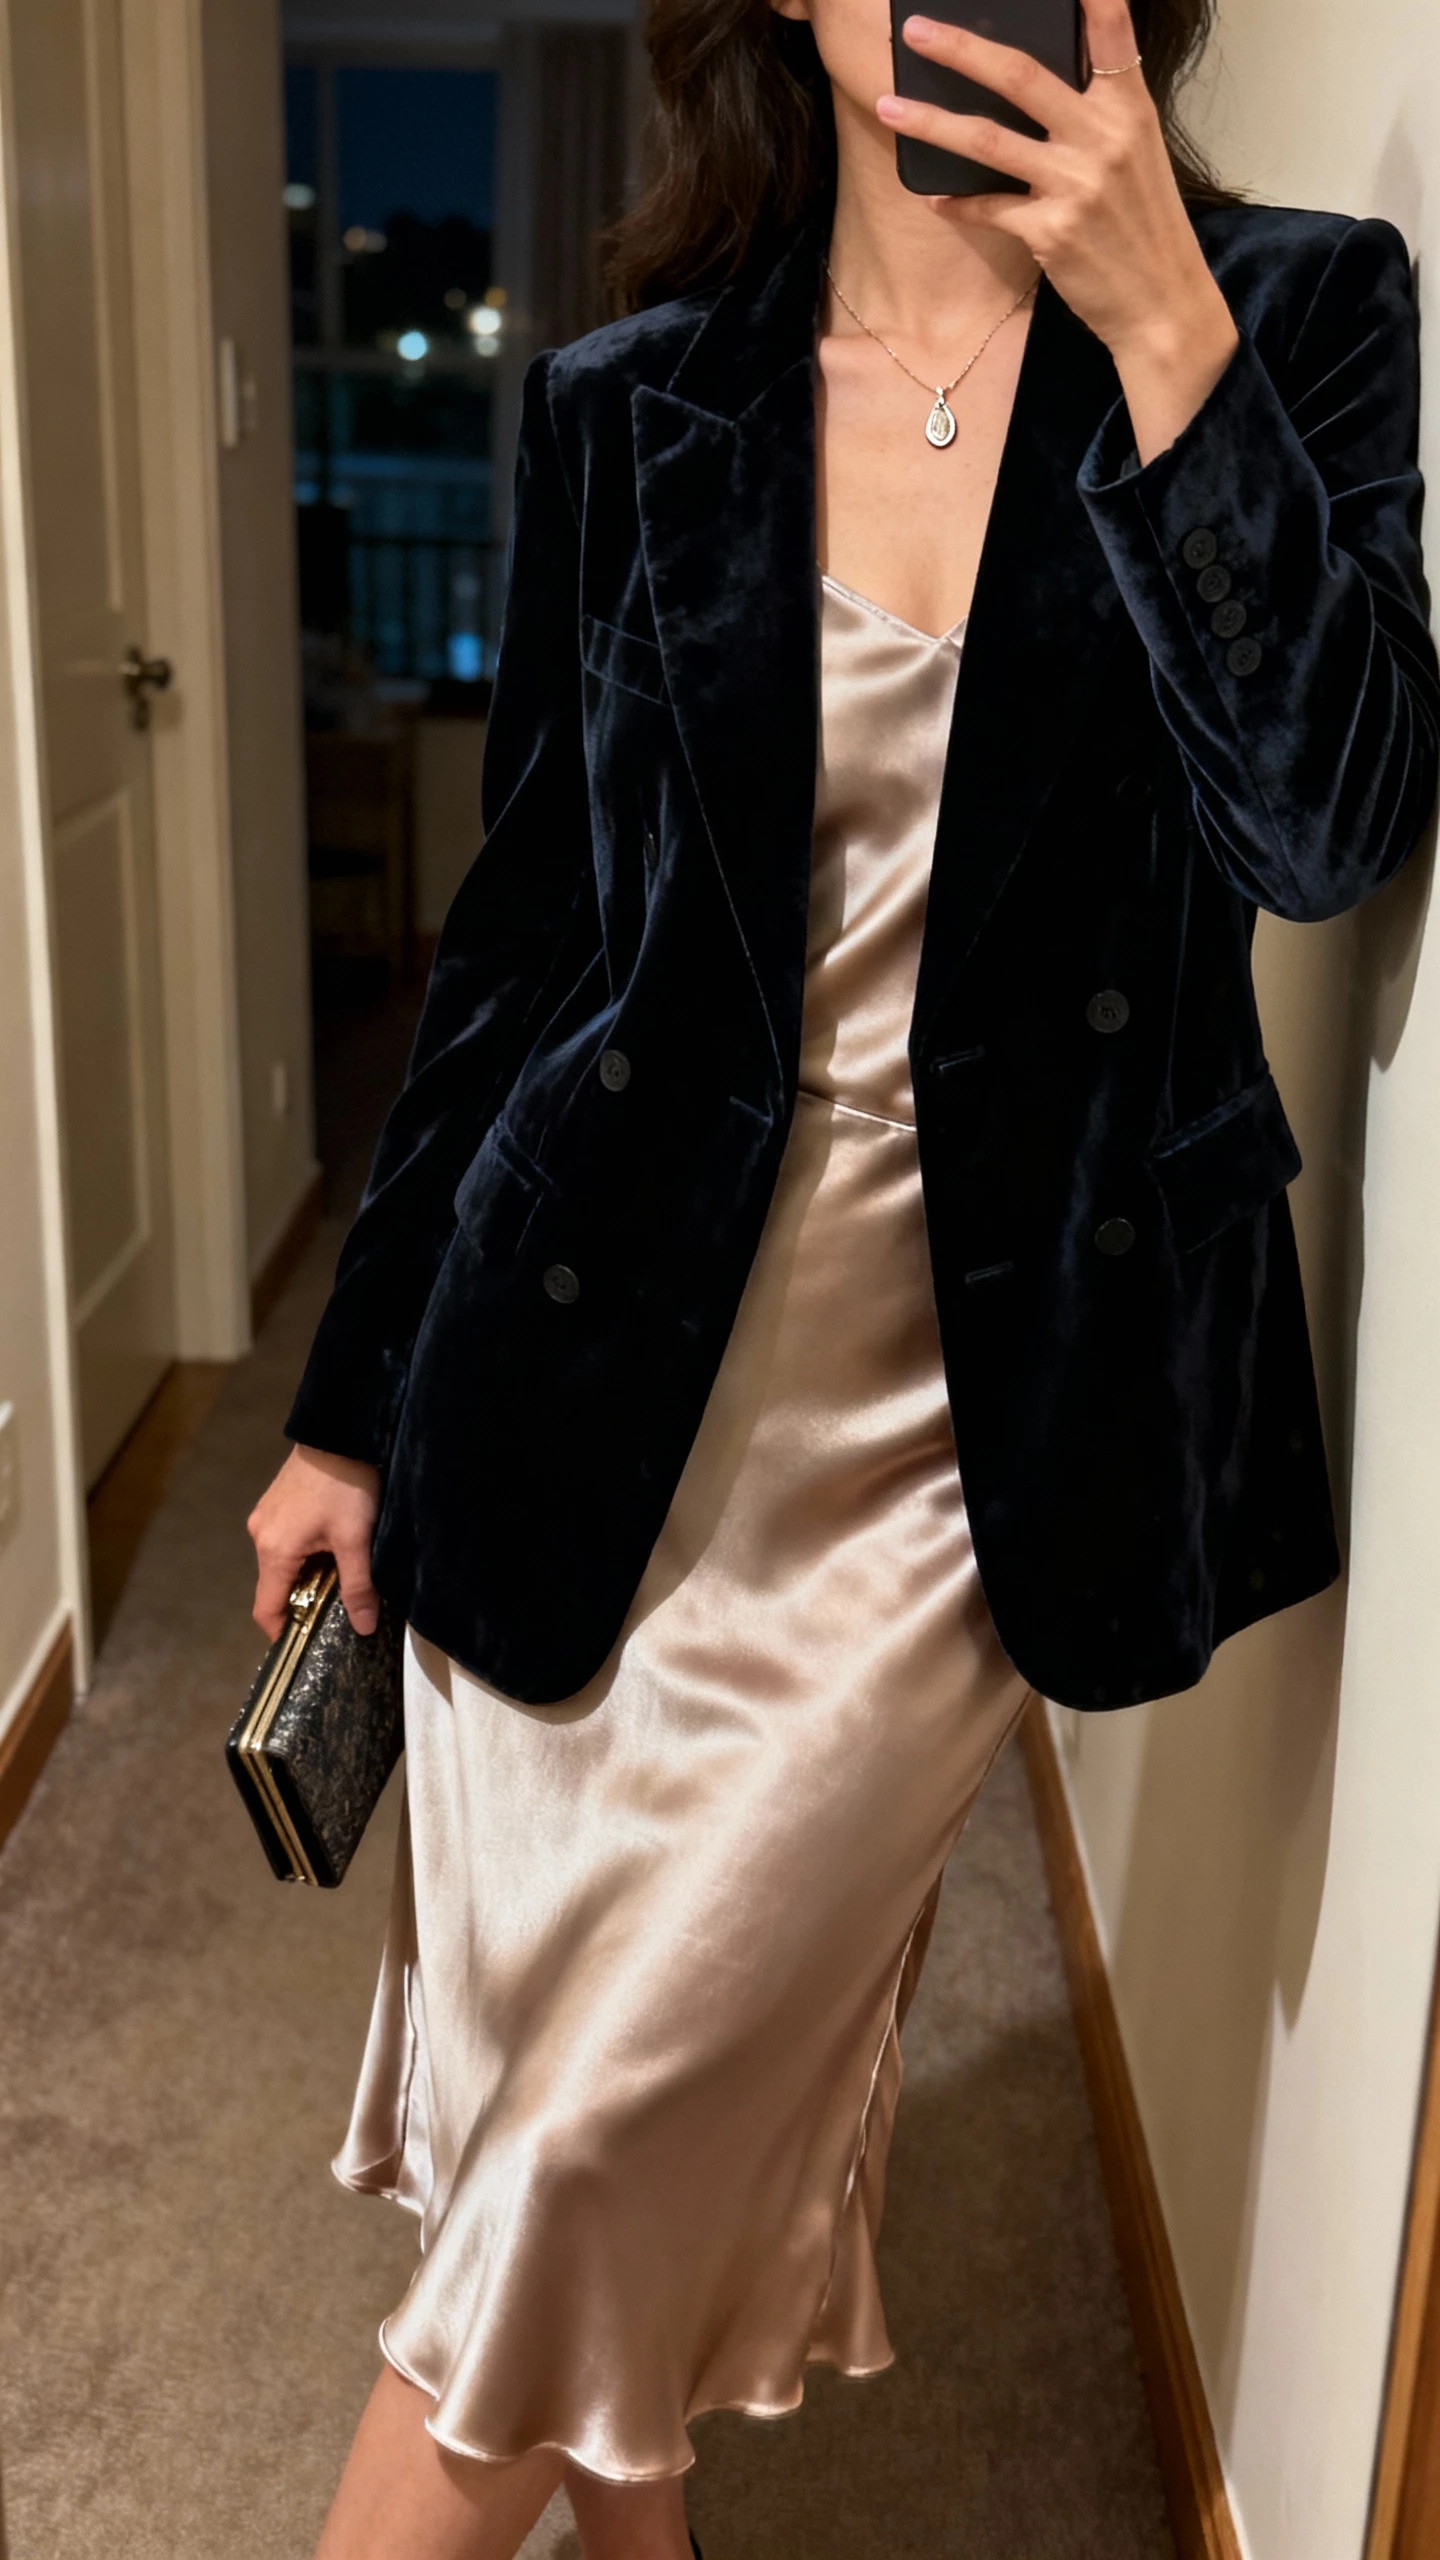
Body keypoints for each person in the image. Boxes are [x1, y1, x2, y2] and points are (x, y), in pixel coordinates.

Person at [247, 0, 1439, 2550]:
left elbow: (1329, 819)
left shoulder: (1290, 313)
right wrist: (345, 1404)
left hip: (946, 1438)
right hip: (572, 1376)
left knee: (569, 2177)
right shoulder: (633, 400)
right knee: (577, 2174)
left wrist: (1156, 325)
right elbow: (523, 941)